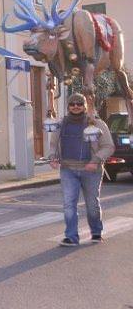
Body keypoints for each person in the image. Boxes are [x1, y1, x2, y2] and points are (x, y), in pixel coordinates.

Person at [50, 92, 113, 246]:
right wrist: (53, 157)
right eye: (73, 104)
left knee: (92, 205)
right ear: (68, 106)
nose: (76, 106)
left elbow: (108, 146)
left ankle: (96, 232)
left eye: (79, 104)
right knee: (69, 204)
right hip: (68, 169)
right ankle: (71, 237)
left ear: (85, 105)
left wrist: (95, 160)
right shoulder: (61, 124)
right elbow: (53, 144)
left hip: (91, 170)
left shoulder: (96, 123)